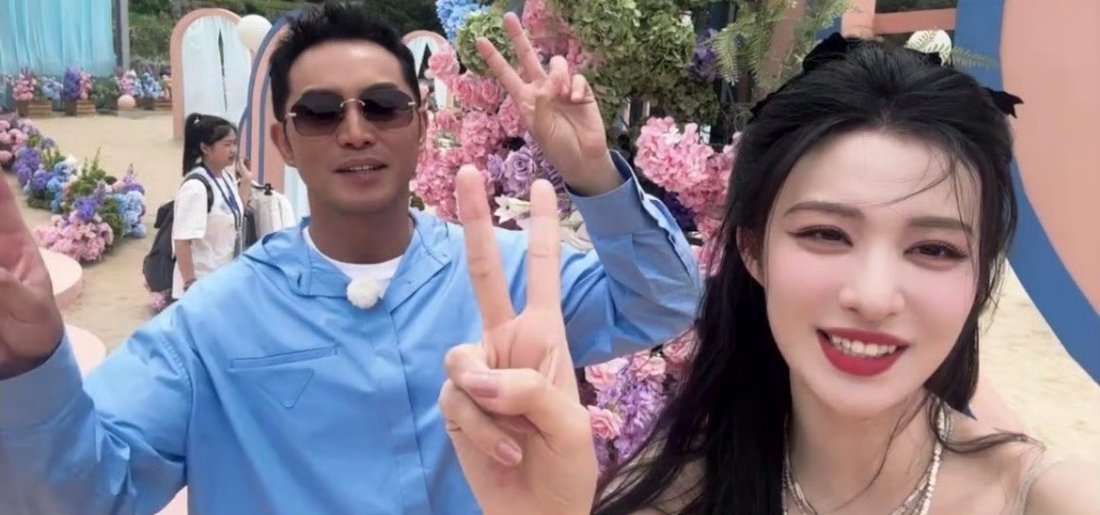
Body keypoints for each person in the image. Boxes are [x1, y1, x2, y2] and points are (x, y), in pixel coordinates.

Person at [0, 4, 699, 515]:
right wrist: (28, 366)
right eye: (320, 112)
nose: (356, 131)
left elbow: (661, 302)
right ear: (284, 139)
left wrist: (593, 172)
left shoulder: (512, 275)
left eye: (384, 106)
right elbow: (87, 493)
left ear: (421, 124)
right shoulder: (211, 324)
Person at [440, 36, 1100, 514]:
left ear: (981, 271)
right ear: (753, 250)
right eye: (826, 234)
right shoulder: (675, 494)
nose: (873, 296)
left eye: (933, 249)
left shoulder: (1049, 499)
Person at [173, 113, 251, 299]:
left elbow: (236, 213)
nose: (233, 150)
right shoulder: (196, 187)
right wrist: (190, 285)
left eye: (235, 143)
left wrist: (246, 180)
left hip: (223, 278)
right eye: (227, 144)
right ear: (205, 148)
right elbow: (182, 241)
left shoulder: (226, 176)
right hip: (201, 284)